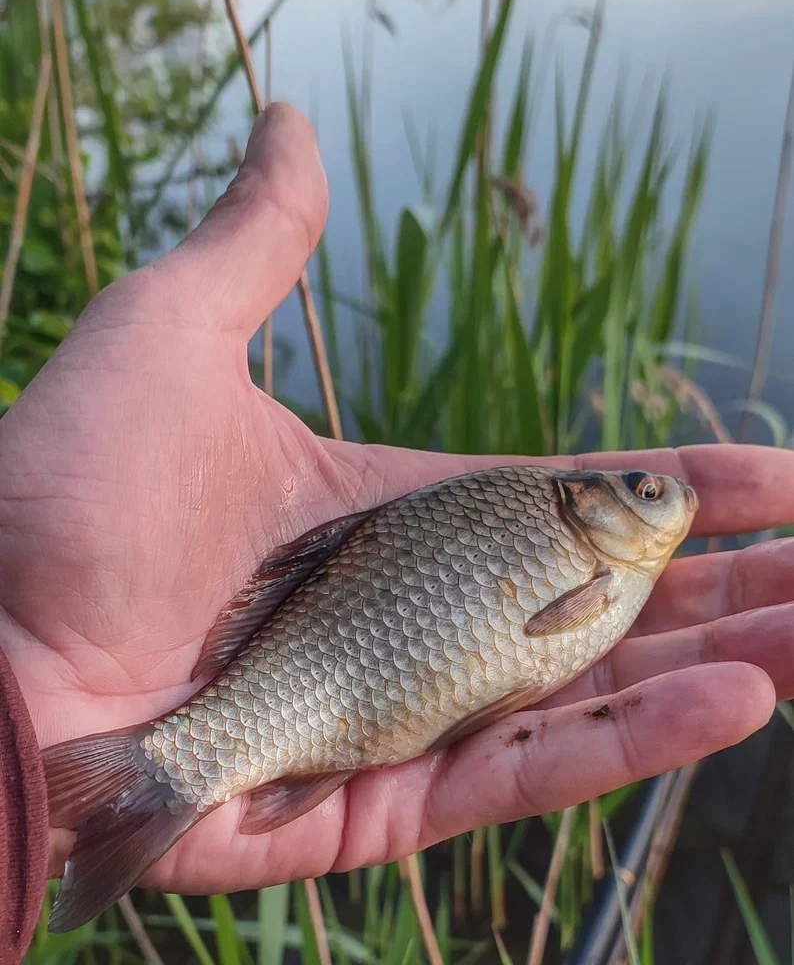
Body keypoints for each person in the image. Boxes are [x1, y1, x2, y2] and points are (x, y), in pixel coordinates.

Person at [1, 104, 794, 962]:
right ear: (589, 507)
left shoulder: (600, 573)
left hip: (352, 695)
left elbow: (533, 660)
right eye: (643, 491)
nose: (665, 497)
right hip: (330, 683)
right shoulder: (586, 559)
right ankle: (129, 777)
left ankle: (57, 790)